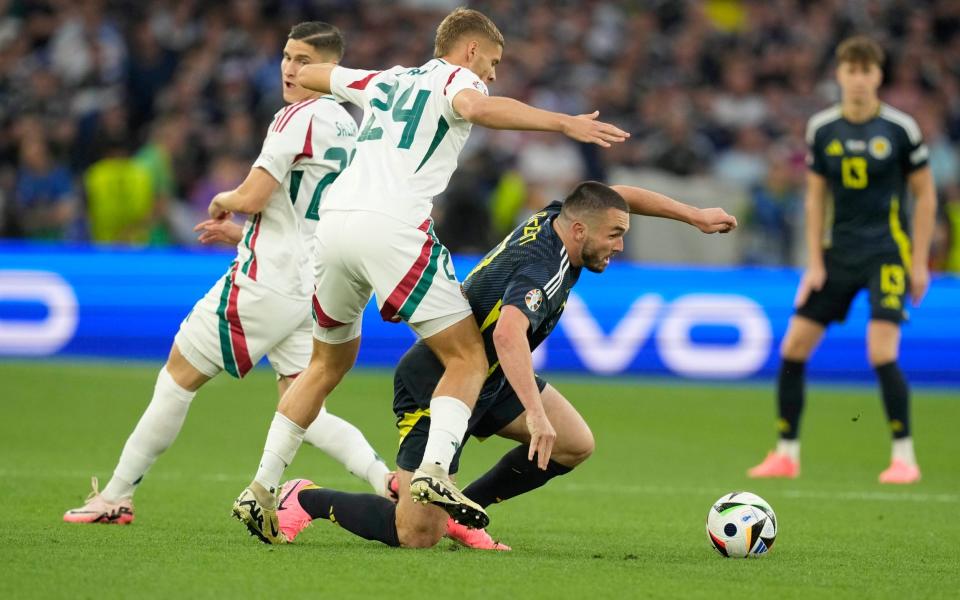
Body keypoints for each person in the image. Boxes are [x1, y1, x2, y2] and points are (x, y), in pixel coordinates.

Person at [232, 8, 630, 544]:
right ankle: (436, 472)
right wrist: (563, 122)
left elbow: (313, 76)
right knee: (467, 354)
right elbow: (474, 107)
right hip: (393, 227)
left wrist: (304, 75)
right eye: (492, 63)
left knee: (325, 365)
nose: (491, 76)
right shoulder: (457, 79)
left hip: (333, 226)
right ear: (469, 52)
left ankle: (260, 486)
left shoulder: (387, 79)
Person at [267, 181, 736, 550]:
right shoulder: (543, 270)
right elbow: (507, 333)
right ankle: (304, 498)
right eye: (614, 236)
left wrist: (692, 216)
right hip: (440, 382)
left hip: (490, 375)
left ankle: (460, 510)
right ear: (580, 231)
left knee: (574, 443)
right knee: (414, 534)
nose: (618, 245)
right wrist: (534, 413)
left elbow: (618, 198)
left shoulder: (563, 216)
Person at [64, 22, 393, 525]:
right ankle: (385, 481)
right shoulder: (349, 126)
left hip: (263, 283)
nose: (289, 67)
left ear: (328, 70)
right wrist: (244, 234)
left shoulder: (294, 118)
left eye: (304, 60)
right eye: (286, 56)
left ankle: (116, 495)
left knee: (178, 377)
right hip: (310, 287)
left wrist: (226, 202)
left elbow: (254, 195)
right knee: (303, 404)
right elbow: (305, 220)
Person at [747, 36, 936, 484]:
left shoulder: (900, 129)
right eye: (850, 70)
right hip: (838, 255)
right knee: (793, 347)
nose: (857, 79)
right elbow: (815, 200)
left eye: (865, 70)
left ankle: (904, 458)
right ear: (839, 75)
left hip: (887, 252)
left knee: (881, 350)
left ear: (878, 76)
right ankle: (786, 453)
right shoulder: (822, 129)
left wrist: (920, 262)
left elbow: (925, 194)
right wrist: (814, 262)